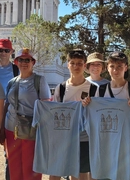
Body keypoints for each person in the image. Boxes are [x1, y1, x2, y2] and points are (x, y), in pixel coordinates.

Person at [1, 48, 51, 180]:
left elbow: (46, 107)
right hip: (11, 129)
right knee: (14, 168)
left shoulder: (39, 81)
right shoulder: (12, 82)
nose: (24, 63)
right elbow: (6, 105)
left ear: (32, 62)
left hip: (31, 130)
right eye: (21, 60)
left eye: (27, 60)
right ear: (16, 62)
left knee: (30, 170)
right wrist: (1, 130)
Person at [51, 49, 97, 180]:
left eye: (79, 63)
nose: (76, 66)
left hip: (84, 138)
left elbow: (97, 116)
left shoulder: (93, 89)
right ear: (68, 65)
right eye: (73, 63)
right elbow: (55, 113)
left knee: (81, 174)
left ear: (85, 65)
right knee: (58, 171)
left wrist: (91, 106)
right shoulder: (61, 88)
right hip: (64, 137)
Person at [98, 51, 130, 180]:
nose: (115, 70)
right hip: (106, 146)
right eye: (112, 66)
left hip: (128, 147)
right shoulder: (100, 91)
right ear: (107, 68)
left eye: (119, 66)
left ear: (126, 68)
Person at [0, 38, 19, 180]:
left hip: (10, 113)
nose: (3, 53)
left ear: (11, 52)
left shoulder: (16, 69)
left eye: (6, 50)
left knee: (9, 152)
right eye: (0, 50)